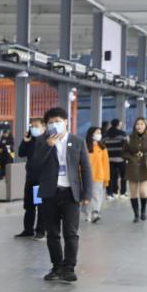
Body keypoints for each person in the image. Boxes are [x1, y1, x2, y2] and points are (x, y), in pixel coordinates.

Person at [32, 107, 92, 283]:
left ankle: (69, 267)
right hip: (49, 193)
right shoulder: (42, 141)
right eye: (50, 122)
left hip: (71, 193)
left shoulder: (77, 141)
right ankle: (57, 266)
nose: (54, 124)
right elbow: (35, 165)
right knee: (52, 233)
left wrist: (87, 193)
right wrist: (48, 146)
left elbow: (86, 169)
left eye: (57, 121)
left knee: (71, 232)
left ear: (65, 121)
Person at [15, 118, 46, 238]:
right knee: (29, 206)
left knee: (41, 207)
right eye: (32, 126)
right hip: (30, 178)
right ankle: (28, 230)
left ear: (43, 128)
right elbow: (21, 153)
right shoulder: (30, 140)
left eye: (36, 126)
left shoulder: (47, 141)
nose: (33, 128)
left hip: (41, 179)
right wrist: (25, 141)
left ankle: (40, 231)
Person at [123, 117, 147, 222]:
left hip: (145, 168)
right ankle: (136, 214)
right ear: (135, 126)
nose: (139, 126)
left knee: (143, 191)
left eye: (141, 124)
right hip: (132, 167)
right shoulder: (129, 138)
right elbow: (124, 152)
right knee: (133, 193)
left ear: (145, 126)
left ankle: (143, 209)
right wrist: (131, 158)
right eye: (137, 124)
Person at [85, 126, 109, 224]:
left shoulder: (102, 148)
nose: (99, 135)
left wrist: (106, 178)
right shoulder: (85, 147)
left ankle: (95, 212)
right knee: (87, 196)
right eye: (97, 133)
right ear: (91, 134)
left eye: (100, 133)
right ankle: (87, 213)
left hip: (99, 176)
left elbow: (106, 164)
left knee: (97, 195)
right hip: (86, 176)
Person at [105, 118, 127, 198]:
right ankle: (123, 193)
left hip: (109, 159)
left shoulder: (106, 134)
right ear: (118, 124)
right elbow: (127, 145)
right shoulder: (122, 134)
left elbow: (102, 145)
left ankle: (110, 193)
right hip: (121, 158)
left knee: (111, 177)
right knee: (123, 177)